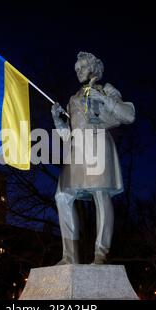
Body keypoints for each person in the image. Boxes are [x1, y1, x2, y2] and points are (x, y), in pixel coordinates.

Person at [51, 52, 135, 264]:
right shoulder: (73, 99)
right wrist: (59, 122)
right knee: (62, 196)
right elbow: (68, 136)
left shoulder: (106, 89)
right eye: (76, 70)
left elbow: (128, 115)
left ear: (92, 68)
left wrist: (104, 99)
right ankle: (69, 256)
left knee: (100, 194)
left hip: (97, 145)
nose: (78, 72)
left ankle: (101, 253)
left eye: (81, 68)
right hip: (77, 150)